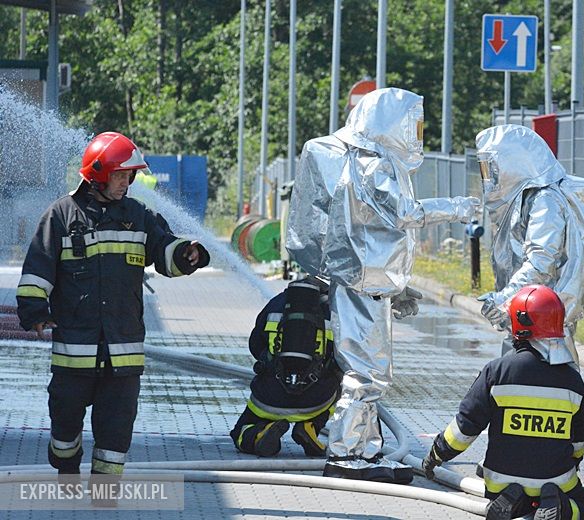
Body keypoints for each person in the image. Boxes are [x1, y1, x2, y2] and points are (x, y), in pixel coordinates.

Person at [286, 87, 481, 484]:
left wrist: (396, 286)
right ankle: (345, 454)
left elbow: (369, 233)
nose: (417, 134)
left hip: (365, 284)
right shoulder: (372, 165)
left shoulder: (369, 161)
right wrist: (457, 207)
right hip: (360, 285)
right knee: (365, 375)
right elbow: (403, 214)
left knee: (371, 374)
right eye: (413, 125)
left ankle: (365, 450)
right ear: (391, 123)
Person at [16, 131, 210, 501]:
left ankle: (105, 493)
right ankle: (67, 466)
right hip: (75, 347)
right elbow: (37, 270)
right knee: (64, 423)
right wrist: (35, 311)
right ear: (98, 174)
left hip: (123, 350)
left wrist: (187, 255)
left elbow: (164, 249)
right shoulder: (60, 216)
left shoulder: (138, 217)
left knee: (116, 428)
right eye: (120, 175)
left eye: (129, 176)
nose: (126, 182)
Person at [422, 285, 584, 520]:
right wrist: (571, 463)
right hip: (554, 481)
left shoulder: (498, 371)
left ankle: (515, 502)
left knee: (508, 496)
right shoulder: (572, 380)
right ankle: (562, 508)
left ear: (519, 324)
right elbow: (578, 441)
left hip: (500, 481)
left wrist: (436, 455)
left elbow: (466, 426)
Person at [474, 124, 584, 365]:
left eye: (493, 168)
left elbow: (541, 263)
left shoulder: (546, 201)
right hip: (530, 316)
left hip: (542, 321)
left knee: (544, 384)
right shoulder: (532, 197)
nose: (490, 178)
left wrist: (504, 299)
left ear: (514, 163)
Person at [230, 276, 342, 457]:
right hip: (316, 401)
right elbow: (346, 357)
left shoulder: (276, 303)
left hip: (269, 398)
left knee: (240, 432)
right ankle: (310, 426)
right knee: (342, 379)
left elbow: (255, 345)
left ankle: (259, 434)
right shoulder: (335, 310)